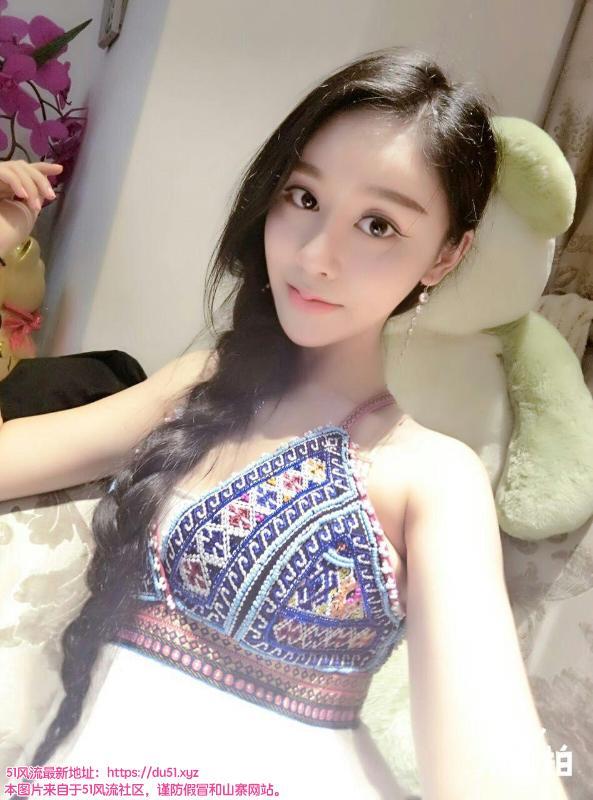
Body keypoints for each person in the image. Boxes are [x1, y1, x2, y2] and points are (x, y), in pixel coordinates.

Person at [0, 47, 568, 800]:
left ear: (444, 256)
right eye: (303, 197)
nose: (317, 255)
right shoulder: (201, 387)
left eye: (377, 224)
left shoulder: (432, 476)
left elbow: (494, 769)